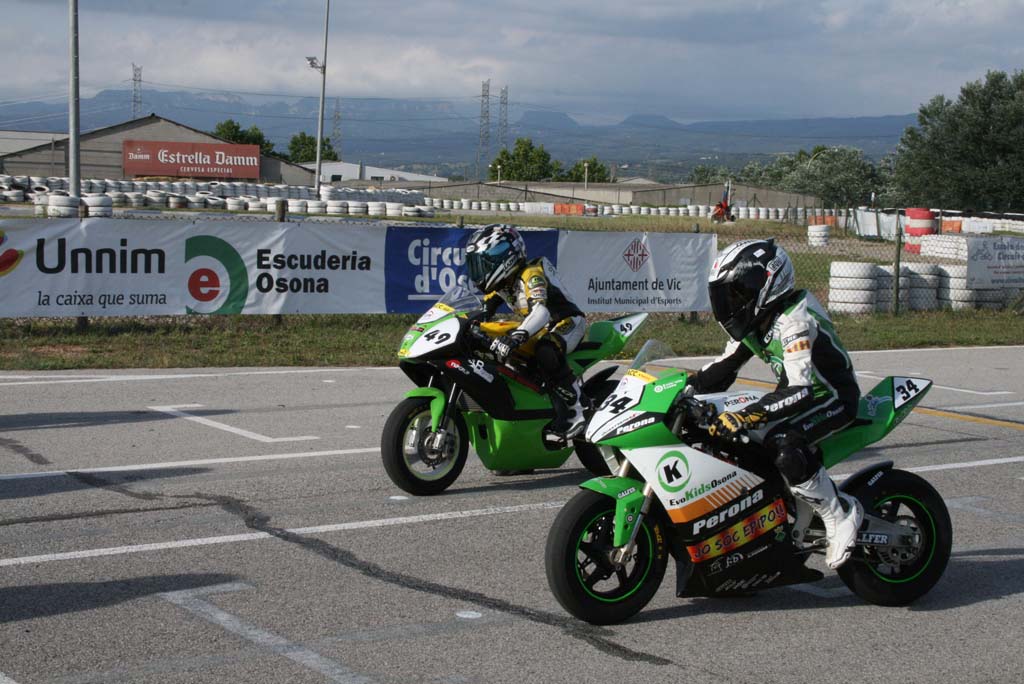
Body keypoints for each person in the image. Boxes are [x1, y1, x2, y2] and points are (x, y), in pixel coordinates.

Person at [685, 238, 864, 568]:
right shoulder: (757, 321)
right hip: (797, 395)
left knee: (784, 444)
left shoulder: (795, 320)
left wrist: (747, 415)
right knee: (731, 439)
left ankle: (839, 514)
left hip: (831, 397)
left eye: (738, 293)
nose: (731, 302)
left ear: (767, 284)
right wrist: (682, 391)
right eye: (726, 295)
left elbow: (801, 390)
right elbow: (724, 367)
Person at [464, 224, 587, 444]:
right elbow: (481, 312)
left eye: (483, 263)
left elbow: (541, 311)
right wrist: (462, 324)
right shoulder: (503, 285)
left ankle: (576, 409)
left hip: (567, 322)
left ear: (504, 257)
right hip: (541, 327)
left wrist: (517, 335)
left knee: (545, 350)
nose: (479, 271)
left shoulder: (530, 275)